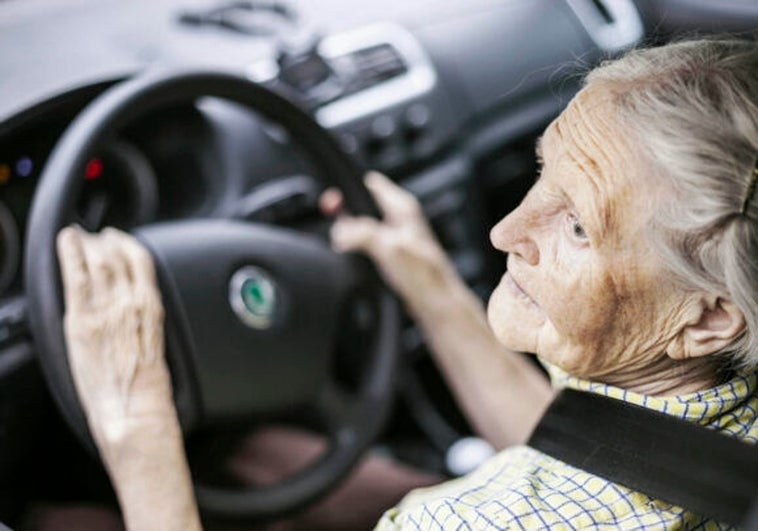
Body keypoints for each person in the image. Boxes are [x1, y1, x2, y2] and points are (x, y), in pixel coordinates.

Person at [55, 37, 758, 529]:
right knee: (257, 455)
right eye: (543, 174)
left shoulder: (470, 523)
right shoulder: (704, 419)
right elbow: (596, 448)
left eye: (577, 226)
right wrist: (430, 283)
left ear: (708, 318)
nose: (505, 230)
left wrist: (138, 428)